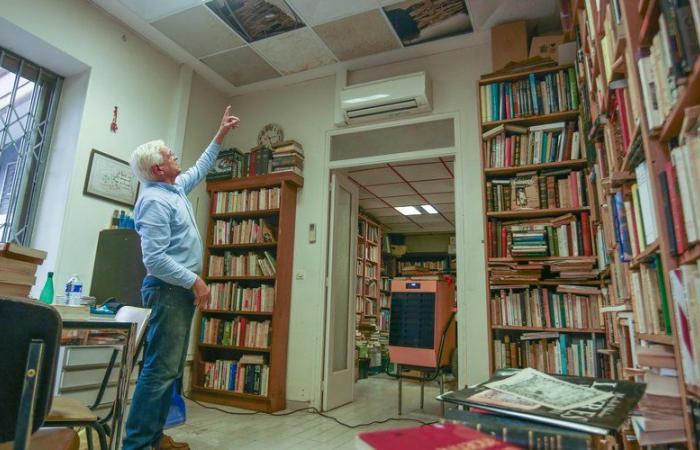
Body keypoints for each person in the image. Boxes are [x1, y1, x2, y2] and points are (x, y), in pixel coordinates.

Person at [123, 107, 240, 450]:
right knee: (159, 372)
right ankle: (139, 444)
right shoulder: (155, 202)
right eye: (170, 155)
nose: (177, 157)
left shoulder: (173, 190)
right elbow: (155, 260)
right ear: (159, 169)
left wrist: (220, 134)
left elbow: (200, 169)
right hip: (168, 291)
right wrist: (195, 280)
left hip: (177, 292)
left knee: (168, 371)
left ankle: (153, 439)